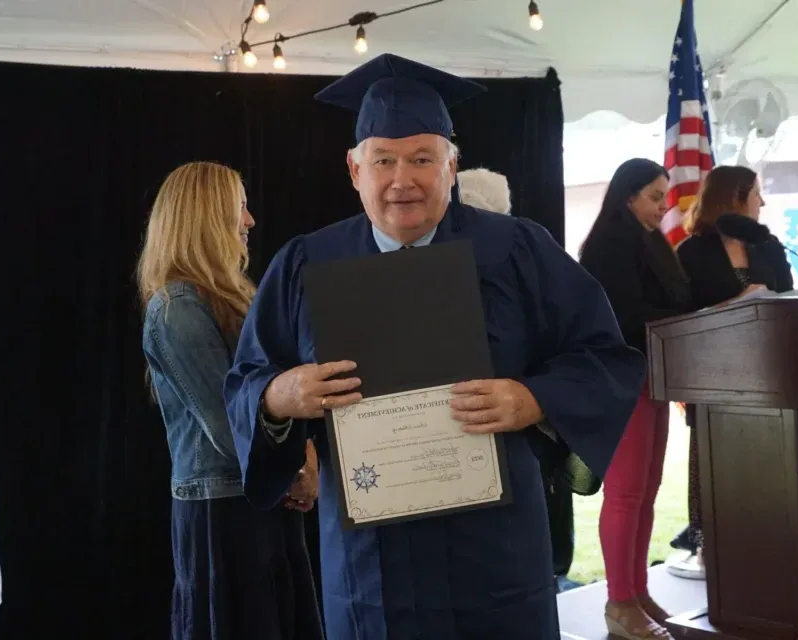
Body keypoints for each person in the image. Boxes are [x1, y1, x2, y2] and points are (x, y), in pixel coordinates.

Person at [223, 53, 647, 639]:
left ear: (452, 164)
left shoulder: (517, 250)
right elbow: (247, 379)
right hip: (369, 556)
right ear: (354, 169)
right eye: (384, 161)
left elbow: (604, 355)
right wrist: (279, 394)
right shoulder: (306, 263)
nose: (404, 179)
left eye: (423, 158)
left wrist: (534, 398)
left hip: (494, 550)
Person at [137, 161, 324, 640]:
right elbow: (230, 427)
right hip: (222, 516)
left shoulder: (230, 297)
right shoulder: (177, 307)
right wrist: (295, 471)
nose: (249, 222)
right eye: (239, 207)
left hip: (261, 501)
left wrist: (302, 463)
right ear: (206, 215)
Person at [578, 158, 693, 640]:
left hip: (655, 374)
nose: (662, 207)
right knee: (626, 493)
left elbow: (677, 300)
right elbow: (623, 312)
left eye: (664, 197)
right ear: (628, 197)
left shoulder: (652, 242)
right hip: (622, 378)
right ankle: (619, 603)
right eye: (653, 197)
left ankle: (638, 590)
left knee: (647, 491)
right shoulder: (608, 244)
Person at [666, 165, 794, 581]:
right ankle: (712, 547)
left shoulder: (766, 244)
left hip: (770, 380)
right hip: (715, 379)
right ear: (736, 198)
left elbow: (790, 297)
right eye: (756, 194)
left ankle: (768, 544)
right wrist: (736, 302)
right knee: (715, 468)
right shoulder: (692, 251)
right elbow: (681, 318)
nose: (763, 202)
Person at [457, 166, 580, 592]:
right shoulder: (411, 279)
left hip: (519, 464)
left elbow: (574, 359)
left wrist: (533, 399)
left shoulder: (530, 275)